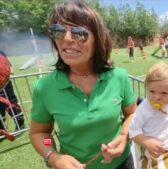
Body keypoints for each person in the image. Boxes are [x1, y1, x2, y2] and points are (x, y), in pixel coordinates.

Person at [29, 1, 137, 169]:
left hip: (123, 164)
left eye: (79, 33)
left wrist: (125, 135)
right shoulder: (44, 88)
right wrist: (53, 156)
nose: (66, 39)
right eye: (59, 31)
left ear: (98, 40)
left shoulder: (119, 77)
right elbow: (41, 133)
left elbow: (132, 114)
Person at [129, 62, 168, 169]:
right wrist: (147, 142)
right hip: (155, 154)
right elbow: (133, 131)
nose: (156, 97)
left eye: (163, 93)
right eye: (152, 91)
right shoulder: (144, 108)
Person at [0, 50, 25, 136]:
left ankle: (20, 125)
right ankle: (1, 130)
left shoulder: (0, 52)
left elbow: (11, 70)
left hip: (5, 84)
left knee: (11, 104)